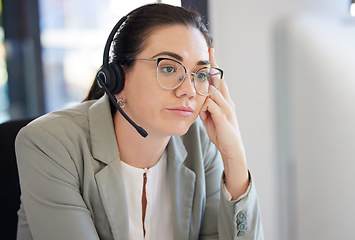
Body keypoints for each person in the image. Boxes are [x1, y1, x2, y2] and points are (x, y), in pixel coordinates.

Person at [15, 3, 263, 240]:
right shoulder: (49, 145)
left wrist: (234, 157)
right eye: (168, 68)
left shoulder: (200, 144)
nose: (189, 90)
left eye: (199, 74)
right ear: (118, 80)